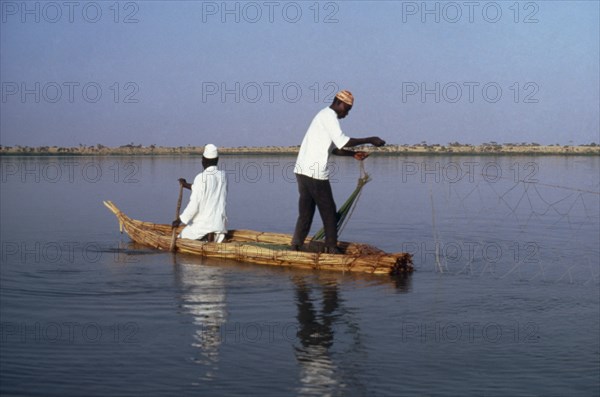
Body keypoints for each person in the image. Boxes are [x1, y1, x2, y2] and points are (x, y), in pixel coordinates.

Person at [291, 90, 386, 254]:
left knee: (306, 211)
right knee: (329, 211)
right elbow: (343, 142)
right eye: (347, 109)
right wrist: (370, 139)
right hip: (315, 173)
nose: (347, 113)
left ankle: (296, 244)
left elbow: (335, 149)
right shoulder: (329, 117)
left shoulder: (323, 115)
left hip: (302, 170)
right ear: (339, 103)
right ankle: (331, 247)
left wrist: (353, 154)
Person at [172, 144, 228, 243]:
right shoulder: (223, 176)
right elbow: (204, 188)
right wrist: (185, 184)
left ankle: (205, 237)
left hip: (203, 227)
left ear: (203, 160)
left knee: (181, 237)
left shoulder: (200, 178)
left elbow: (194, 205)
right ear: (217, 159)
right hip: (219, 227)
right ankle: (213, 236)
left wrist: (179, 220)